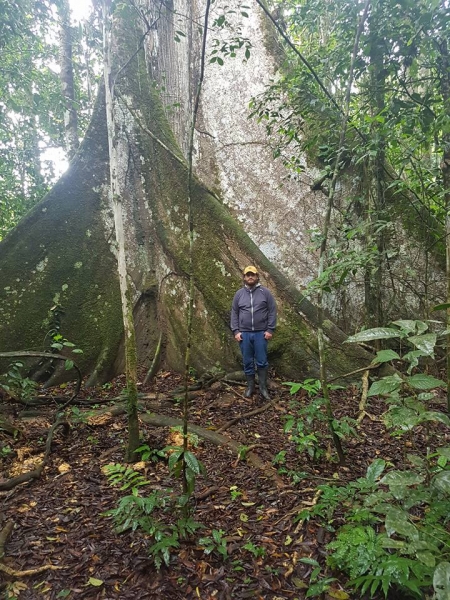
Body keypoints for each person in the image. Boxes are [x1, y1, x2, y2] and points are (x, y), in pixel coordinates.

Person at [230, 266, 277, 400]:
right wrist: (236, 331)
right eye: (248, 275)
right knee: (247, 361)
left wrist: (270, 329)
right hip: (244, 334)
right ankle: (250, 387)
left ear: (257, 277)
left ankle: (263, 388)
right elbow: (234, 312)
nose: (250, 277)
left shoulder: (265, 292)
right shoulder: (239, 294)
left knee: (262, 362)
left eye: (253, 275)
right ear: (244, 277)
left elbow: (272, 311)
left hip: (261, 334)